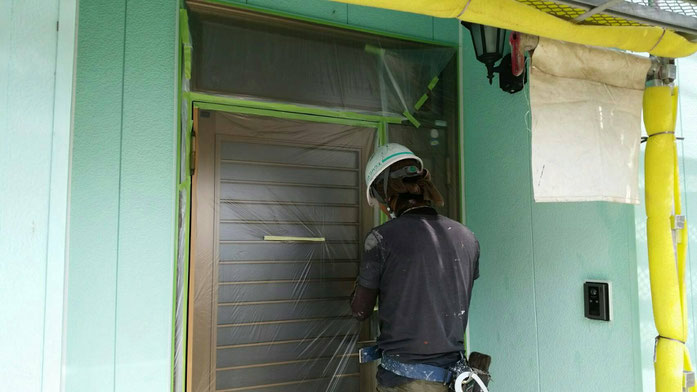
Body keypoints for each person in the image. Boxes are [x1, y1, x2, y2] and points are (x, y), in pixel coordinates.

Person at [351, 143, 480, 392]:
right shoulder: (467, 237)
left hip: (405, 383)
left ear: (386, 195)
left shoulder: (381, 239)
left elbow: (360, 311)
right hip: (455, 380)